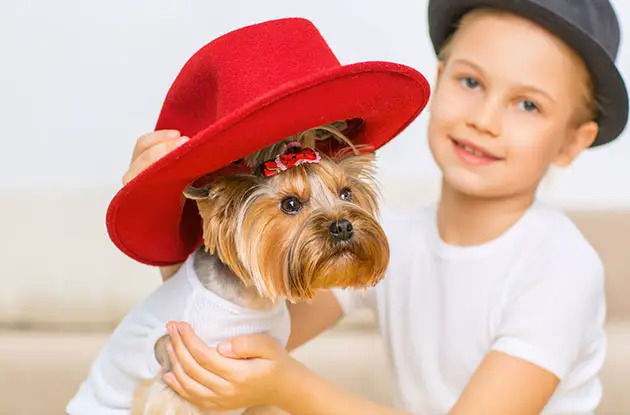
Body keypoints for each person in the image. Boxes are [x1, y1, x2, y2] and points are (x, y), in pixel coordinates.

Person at [122, 1, 628, 414]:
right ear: (441, 75)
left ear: (571, 143)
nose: (485, 120)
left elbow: (271, 372)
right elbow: (235, 334)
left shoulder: (560, 268)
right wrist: (165, 207)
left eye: (528, 104)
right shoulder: (398, 238)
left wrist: (284, 387)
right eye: (471, 82)